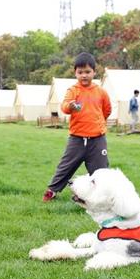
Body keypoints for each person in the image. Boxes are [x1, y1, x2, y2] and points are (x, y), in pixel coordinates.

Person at [43, 52, 111, 202]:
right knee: (65, 166)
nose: (84, 75)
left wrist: (98, 122)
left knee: (101, 171)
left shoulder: (101, 92)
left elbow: (107, 110)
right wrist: (71, 106)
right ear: (75, 73)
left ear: (94, 72)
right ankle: (52, 191)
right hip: (77, 139)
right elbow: (65, 107)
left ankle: (103, 197)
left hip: (97, 139)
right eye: (80, 72)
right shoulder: (73, 91)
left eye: (87, 72)